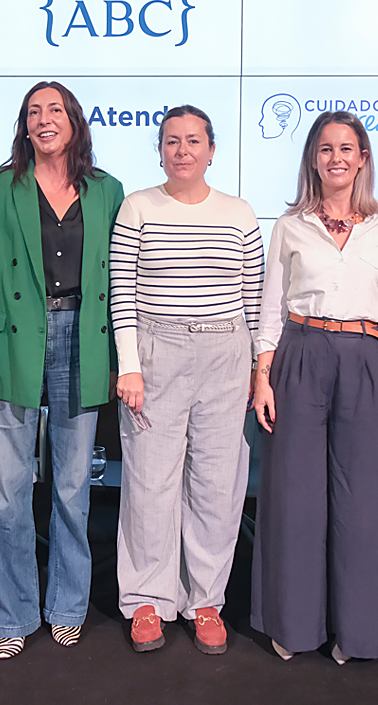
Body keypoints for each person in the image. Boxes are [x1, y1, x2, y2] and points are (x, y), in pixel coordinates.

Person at [0, 81, 125, 659]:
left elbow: (120, 283)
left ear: (74, 120)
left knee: (72, 486)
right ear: (24, 125)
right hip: (12, 346)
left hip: (84, 338)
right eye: (34, 111)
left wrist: (119, 360)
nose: (43, 119)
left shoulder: (107, 189)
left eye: (54, 109)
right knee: (7, 493)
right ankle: (11, 612)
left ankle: (67, 607)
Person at [110, 105, 264, 656]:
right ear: (160, 149)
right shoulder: (137, 208)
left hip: (226, 352)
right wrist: (128, 365)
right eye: (172, 141)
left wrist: (256, 369)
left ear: (212, 150)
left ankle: (205, 601)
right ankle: (148, 601)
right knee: (150, 480)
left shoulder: (239, 213)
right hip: (156, 351)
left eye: (193, 140)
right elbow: (122, 295)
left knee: (217, 484)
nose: (182, 150)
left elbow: (254, 299)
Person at [249, 110, 378, 663]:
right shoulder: (290, 226)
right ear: (313, 159)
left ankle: (358, 633)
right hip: (301, 353)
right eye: (326, 148)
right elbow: (270, 306)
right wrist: (262, 375)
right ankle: (292, 626)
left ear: (363, 157)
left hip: (364, 357)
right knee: (295, 497)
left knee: (365, 503)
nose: (337, 157)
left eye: (347, 148)